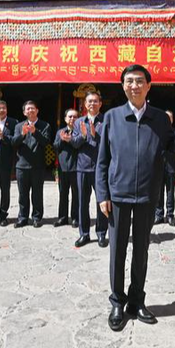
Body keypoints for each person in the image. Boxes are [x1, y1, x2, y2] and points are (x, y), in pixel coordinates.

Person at [96, 64, 175, 332]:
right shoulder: (113, 117)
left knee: (141, 251)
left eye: (140, 81)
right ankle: (117, 301)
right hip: (117, 195)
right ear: (123, 86)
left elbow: (171, 147)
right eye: (129, 81)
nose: (134, 86)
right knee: (117, 252)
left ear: (149, 86)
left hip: (147, 195)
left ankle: (136, 301)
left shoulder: (160, 118)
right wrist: (102, 194)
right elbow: (102, 160)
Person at [72, 91, 107, 247]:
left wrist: (95, 136)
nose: (92, 104)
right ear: (85, 104)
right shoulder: (79, 122)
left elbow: (110, 143)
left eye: (95, 101)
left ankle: (101, 234)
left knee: (102, 202)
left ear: (100, 104)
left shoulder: (106, 120)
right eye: (89, 101)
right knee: (82, 203)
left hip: (101, 168)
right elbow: (74, 143)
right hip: (83, 167)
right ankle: (84, 234)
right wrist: (84, 136)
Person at [12, 101, 51, 228]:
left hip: (38, 166)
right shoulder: (19, 126)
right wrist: (23, 134)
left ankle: (37, 217)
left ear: (37, 110)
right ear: (24, 112)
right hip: (22, 165)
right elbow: (14, 143)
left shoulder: (45, 125)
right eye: (28, 109)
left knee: (37, 194)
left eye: (32, 108)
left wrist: (35, 132)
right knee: (22, 194)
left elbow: (46, 142)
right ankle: (22, 217)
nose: (30, 111)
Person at [53, 108, 80, 227]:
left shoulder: (80, 131)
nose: (72, 119)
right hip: (63, 168)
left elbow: (80, 145)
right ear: (65, 119)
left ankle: (75, 218)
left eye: (75, 117)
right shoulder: (60, 132)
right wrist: (63, 140)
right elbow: (55, 146)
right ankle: (62, 218)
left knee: (76, 194)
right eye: (70, 116)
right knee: (63, 193)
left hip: (76, 167)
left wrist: (71, 140)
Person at [155, 110, 175, 226]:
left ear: (172, 119)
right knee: (158, 192)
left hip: (171, 166)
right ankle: (159, 215)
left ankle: (170, 215)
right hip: (159, 166)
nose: (167, 119)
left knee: (170, 192)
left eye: (169, 117)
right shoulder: (157, 131)